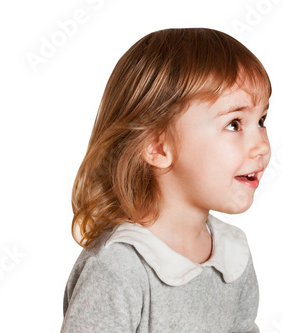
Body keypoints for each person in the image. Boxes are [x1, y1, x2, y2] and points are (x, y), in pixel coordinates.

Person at [62, 28, 270, 332]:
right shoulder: (119, 268)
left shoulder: (232, 254)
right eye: (234, 124)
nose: (262, 145)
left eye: (262, 121)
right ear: (158, 147)